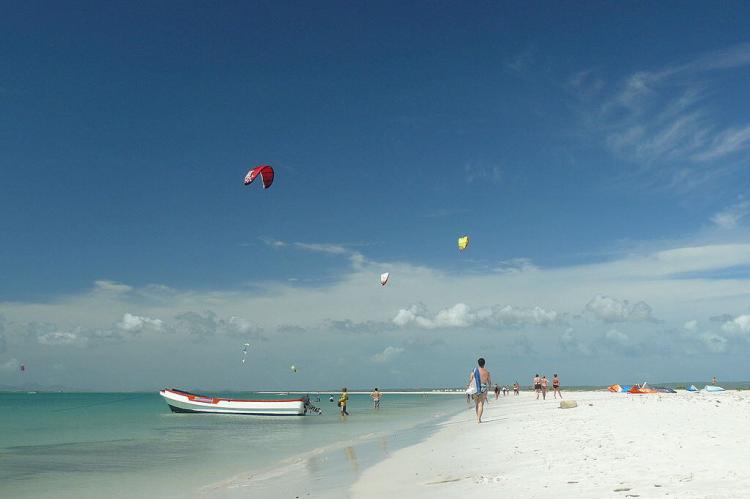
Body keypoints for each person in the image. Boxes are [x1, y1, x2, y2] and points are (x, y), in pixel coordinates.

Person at [467, 357, 491, 423]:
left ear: (478, 363)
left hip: (475, 388)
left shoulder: (474, 370)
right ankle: (479, 419)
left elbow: (471, 379)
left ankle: (478, 417)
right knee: (481, 404)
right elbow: (489, 382)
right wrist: (488, 388)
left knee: (477, 404)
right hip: (483, 388)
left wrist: (469, 386)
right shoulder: (487, 372)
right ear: (484, 363)